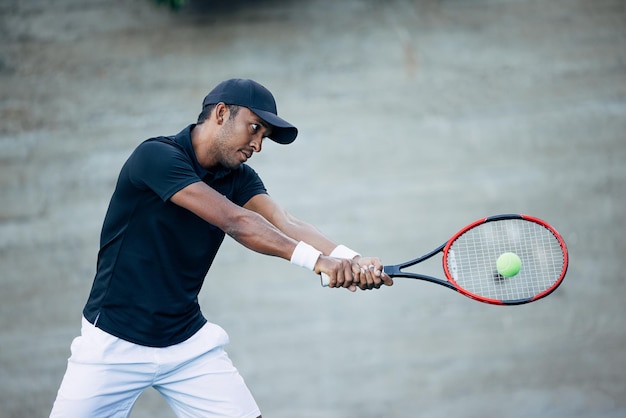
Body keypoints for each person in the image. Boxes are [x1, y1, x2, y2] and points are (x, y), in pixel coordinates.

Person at [50, 78, 393, 418]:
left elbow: (284, 221)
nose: (257, 145)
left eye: (264, 137)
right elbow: (236, 221)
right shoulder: (155, 157)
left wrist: (351, 259)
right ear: (221, 113)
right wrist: (318, 262)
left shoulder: (239, 178)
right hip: (113, 340)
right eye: (254, 128)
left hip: (186, 343)